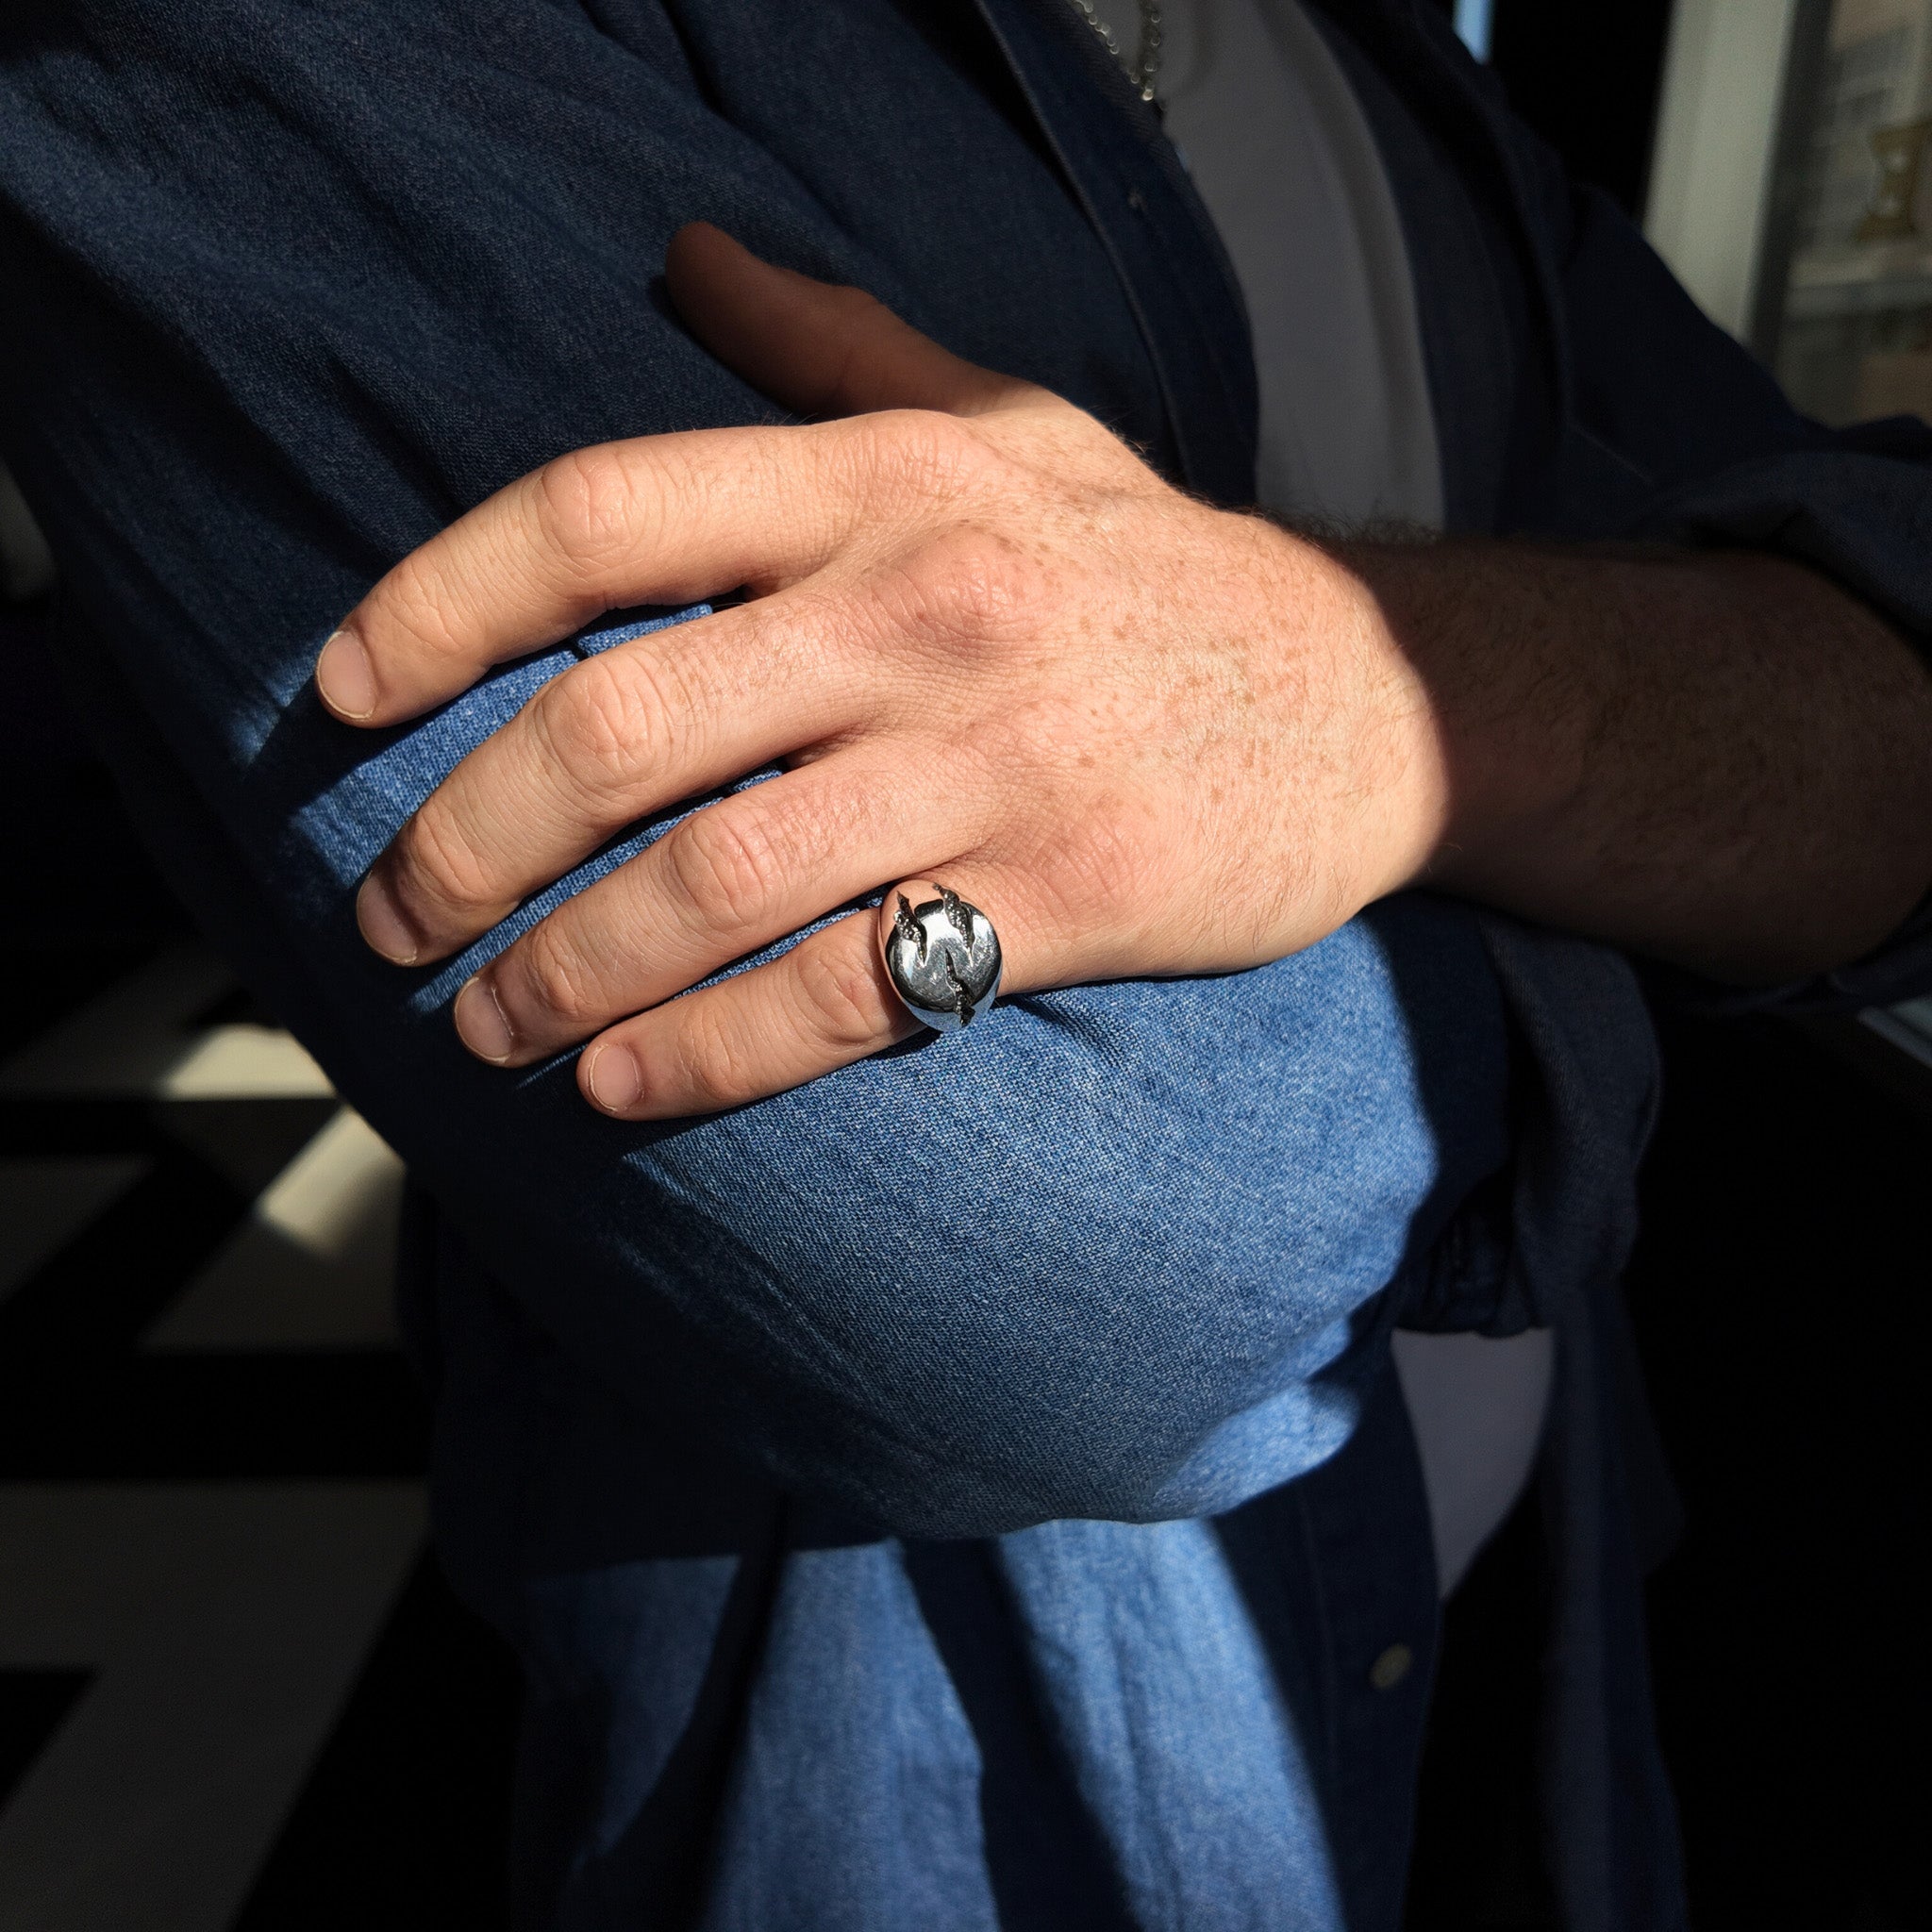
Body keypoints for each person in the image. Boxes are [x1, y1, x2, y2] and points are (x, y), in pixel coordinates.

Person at [3, 1, 1929, 1924]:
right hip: (936, 1788)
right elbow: (1130, 1264)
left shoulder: (1407, 89)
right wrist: (1658, 814)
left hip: (1550, 1616)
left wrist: (1359, 695)